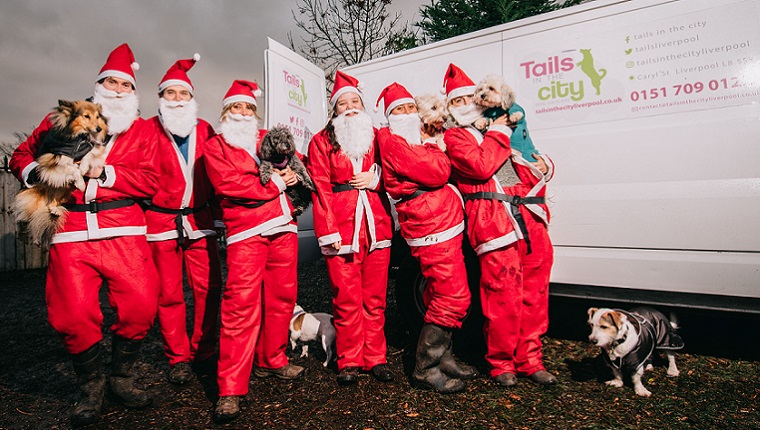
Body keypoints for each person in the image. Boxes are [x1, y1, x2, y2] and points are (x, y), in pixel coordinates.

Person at [8, 43, 160, 427]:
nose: (118, 89)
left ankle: (121, 377)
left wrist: (104, 175)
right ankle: (91, 387)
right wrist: (36, 174)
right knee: (72, 315)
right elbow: (20, 156)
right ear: (98, 85)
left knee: (141, 306)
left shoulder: (143, 131)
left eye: (125, 85)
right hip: (71, 229)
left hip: (123, 229)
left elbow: (154, 180)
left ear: (133, 92)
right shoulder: (61, 120)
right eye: (111, 82)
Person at [442, 63, 557, 387]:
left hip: (531, 216)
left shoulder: (499, 123)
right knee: (502, 295)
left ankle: (531, 360)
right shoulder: (456, 137)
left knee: (535, 293)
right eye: (456, 102)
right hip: (494, 222)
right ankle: (502, 363)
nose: (465, 105)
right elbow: (481, 166)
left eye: (468, 99)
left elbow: (531, 159)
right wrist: (501, 130)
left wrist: (545, 164)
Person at [204, 80, 304, 423]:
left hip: (283, 226)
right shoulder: (215, 146)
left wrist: (292, 173)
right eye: (237, 107)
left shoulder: (266, 138)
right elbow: (229, 184)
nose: (244, 113)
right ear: (225, 112)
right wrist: (277, 182)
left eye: (248, 108)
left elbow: (294, 161)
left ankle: (271, 359)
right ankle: (230, 387)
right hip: (246, 231)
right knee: (240, 304)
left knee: (282, 298)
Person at [375, 82, 477, 394]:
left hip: (442, 224)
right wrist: (434, 148)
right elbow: (437, 171)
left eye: (409, 108)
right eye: (399, 110)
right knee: (452, 297)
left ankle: (444, 358)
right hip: (430, 227)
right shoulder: (393, 141)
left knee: (448, 293)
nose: (406, 113)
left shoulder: (410, 139)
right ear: (389, 116)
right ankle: (426, 367)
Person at [306, 71, 394, 386]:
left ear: (363, 104)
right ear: (335, 110)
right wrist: (327, 231)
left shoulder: (379, 136)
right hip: (341, 228)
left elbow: (399, 170)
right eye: (342, 103)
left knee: (375, 298)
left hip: (377, 225)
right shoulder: (321, 141)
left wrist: (378, 178)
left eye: (354, 101)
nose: (350, 107)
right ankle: (349, 359)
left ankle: (376, 358)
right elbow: (319, 188)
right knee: (346, 296)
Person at [143, 54, 223, 385]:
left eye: (184, 94)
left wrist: (220, 216)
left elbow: (220, 171)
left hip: (200, 218)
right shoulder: (145, 130)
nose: (178, 99)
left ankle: (204, 351)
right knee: (169, 292)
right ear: (161, 98)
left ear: (192, 98)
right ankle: (177, 357)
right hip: (160, 222)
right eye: (171, 94)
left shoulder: (204, 128)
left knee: (209, 288)